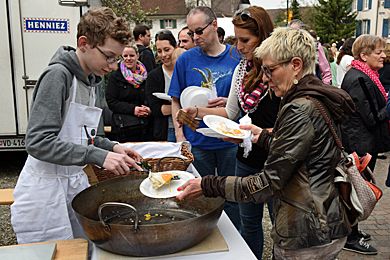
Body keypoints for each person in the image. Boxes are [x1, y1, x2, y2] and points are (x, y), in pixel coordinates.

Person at [177, 27, 354, 260]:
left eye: (270, 70)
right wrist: (260, 136)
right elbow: (302, 153)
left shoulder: (300, 109)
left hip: (307, 229)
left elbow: (267, 183)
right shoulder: (311, 97)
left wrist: (208, 185)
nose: (264, 78)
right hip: (322, 219)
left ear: (296, 65)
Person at [10, 7, 143, 244]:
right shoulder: (58, 76)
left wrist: (112, 148)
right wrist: (96, 155)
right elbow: (38, 143)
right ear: (84, 43)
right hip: (45, 191)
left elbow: (88, 137)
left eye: (117, 59)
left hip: (74, 184)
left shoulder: (93, 81)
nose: (113, 66)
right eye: (109, 56)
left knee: (84, 248)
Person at [178, 6, 278, 259]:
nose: (240, 47)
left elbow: (294, 126)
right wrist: (196, 111)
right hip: (247, 159)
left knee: (282, 225)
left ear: (264, 36)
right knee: (250, 223)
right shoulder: (241, 70)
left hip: (278, 160)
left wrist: (252, 133)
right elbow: (230, 112)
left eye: (246, 40)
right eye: (237, 40)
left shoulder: (279, 70)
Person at [168, 6, 241, 230]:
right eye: (191, 33)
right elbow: (175, 100)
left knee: (232, 197)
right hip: (197, 141)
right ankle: (206, 236)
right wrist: (180, 136)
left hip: (229, 139)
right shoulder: (185, 60)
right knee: (201, 197)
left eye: (199, 31)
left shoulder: (236, 56)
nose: (195, 37)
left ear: (215, 25)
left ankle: (235, 242)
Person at [341, 34, 390, 255]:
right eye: (378, 52)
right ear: (364, 55)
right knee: (356, 191)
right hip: (359, 144)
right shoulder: (360, 78)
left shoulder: (364, 74)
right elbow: (371, 118)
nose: (383, 55)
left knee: (356, 189)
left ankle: (353, 231)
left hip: (360, 141)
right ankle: (350, 237)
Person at [105, 45, 151, 142]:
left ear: (137, 56)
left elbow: (150, 96)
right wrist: (133, 109)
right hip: (123, 129)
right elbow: (111, 102)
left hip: (145, 127)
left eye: (131, 55)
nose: (128, 59)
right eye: (125, 56)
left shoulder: (146, 75)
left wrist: (148, 109)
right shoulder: (115, 76)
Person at [145, 30, 179, 141]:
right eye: (159, 51)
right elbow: (156, 109)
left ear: (176, 47)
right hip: (166, 129)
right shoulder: (153, 76)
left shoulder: (186, 71)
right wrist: (181, 107)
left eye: (167, 50)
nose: (163, 55)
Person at [289, 20, 332, 85]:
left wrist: (323, 86)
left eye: (296, 32)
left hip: (312, 88)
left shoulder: (315, 46)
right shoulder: (285, 49)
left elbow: (326, 71)